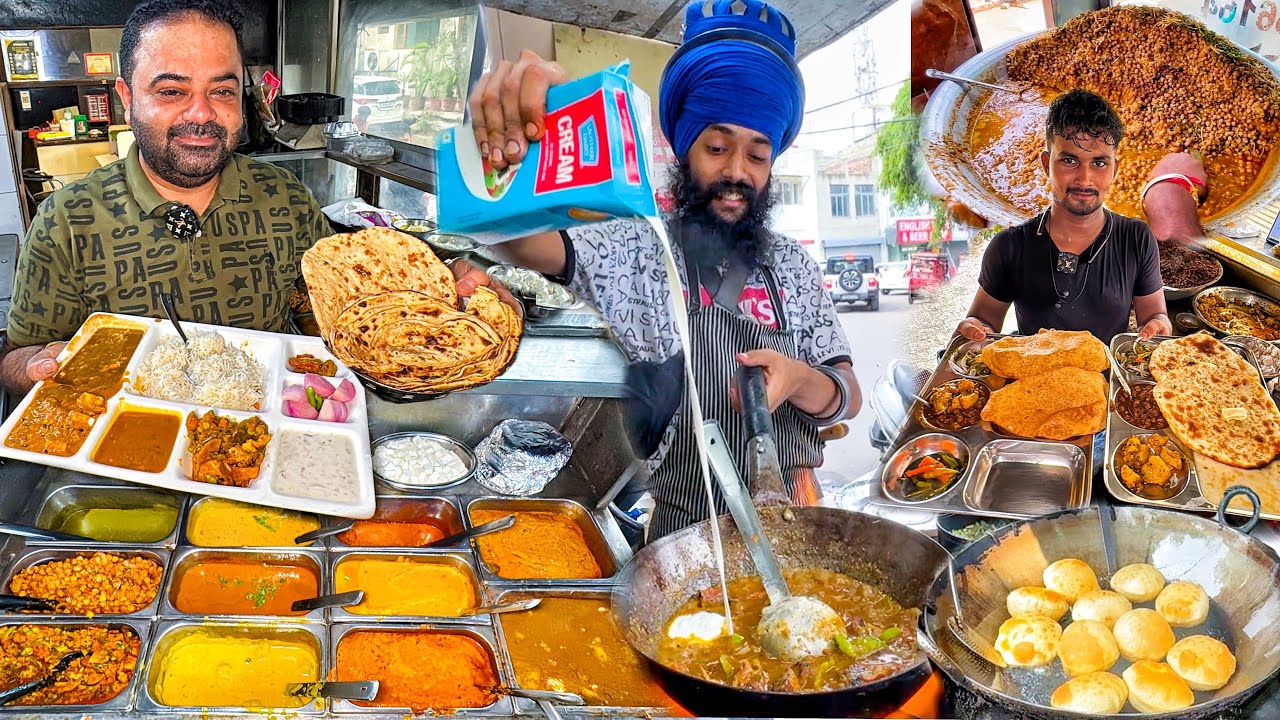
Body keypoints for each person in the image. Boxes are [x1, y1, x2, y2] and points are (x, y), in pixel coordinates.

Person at [455, 0, 861, 539]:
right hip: (679, 542)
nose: (736, 172)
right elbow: (530, 244)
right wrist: (530, 134)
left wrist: (805, 379)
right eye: (717, 147)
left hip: (793, 523)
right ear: (683, 146)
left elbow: (849, 394)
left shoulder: (793, 266)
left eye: (758, 156)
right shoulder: (639, 246)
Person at [0, 0, 514, 395]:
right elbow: (16, 356)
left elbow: (335, 329)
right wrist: (35, 367)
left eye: (222, 91)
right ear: (127, 97)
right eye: (172, 91)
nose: (201, 113)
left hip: (272, 445)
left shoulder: (285, 200)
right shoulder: (67, 221)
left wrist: (434, 315)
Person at [954, 88, 1173, 345]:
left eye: (1099, 163)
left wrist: (1158, 324)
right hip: (1032, 379)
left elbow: (1155, 314)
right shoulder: (1009, 246)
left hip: (1109, 381)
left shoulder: (1136, 238)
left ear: (1115, 169)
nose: (1085, 179)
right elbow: (984, 321)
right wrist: (973, 328)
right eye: (1070, 161)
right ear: (1046, 164)